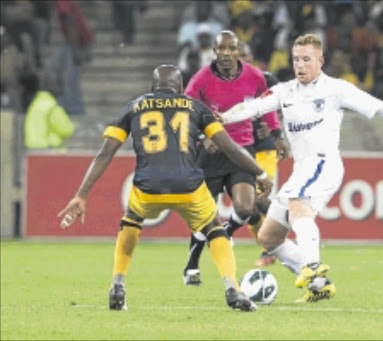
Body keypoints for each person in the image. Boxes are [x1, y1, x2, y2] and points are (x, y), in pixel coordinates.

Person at [216, 34, 383, 303]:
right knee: (268, 238)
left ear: (320, 61)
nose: (300, 65)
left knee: (298, 206)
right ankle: (320, 285)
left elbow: (380, 107)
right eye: (296, 59)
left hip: (324, 163)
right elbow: (252, 107)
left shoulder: (336, 89)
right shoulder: (285, 91)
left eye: (306, 59)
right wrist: (224, 117)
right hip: (302, 169)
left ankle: (313, 267)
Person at [57, 64, 273, 312]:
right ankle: (232, 290)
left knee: (131, 219)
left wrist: (81, 195)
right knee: (213, 226)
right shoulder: (195, 107)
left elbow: (105, 153)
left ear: (152, 88)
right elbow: (230, 148)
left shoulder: (134, 106)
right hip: (188, 186)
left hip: (148, 187)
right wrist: (260, 173)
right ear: (181, 88)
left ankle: (118, 284)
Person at [182, 31, 285, 285]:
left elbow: (267, 105)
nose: (226, 54)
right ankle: (192, 265)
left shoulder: (255, 76)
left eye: (231, 49)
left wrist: (276, 135)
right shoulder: (201, 79)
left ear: (238, 51)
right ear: (214, 52)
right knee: (204, 213)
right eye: (221, 49)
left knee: (245, 207)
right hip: (211, 153)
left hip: (242, 151)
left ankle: (225, 231)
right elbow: (187, 113)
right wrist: (203, 137)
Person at [239, 41, 289, 267]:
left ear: (251, 57)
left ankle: (278, 241)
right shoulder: (226, 85)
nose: (241, 59)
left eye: (244, 55)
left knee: (259, 199)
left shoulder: (267, 79)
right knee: (247, 207)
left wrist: (273, 129)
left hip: (264, 148)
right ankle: (268, 248)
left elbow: (282, 104)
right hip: (239, 151)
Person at [24, 71, 75, 149]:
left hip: (32, 150)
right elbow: (66, 129)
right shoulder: (52, 107)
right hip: (49, 150)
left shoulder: (35, 104)